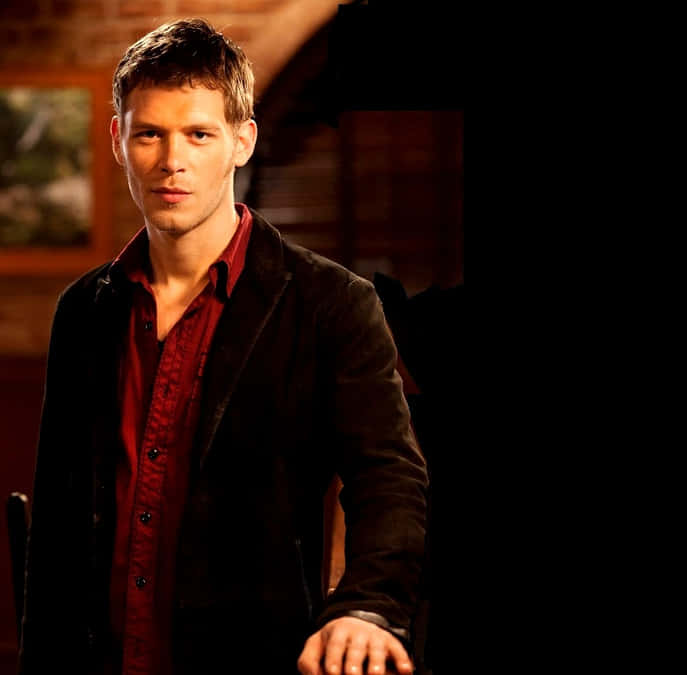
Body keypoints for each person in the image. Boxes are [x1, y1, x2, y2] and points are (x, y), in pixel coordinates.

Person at [17, 18, 428, 675]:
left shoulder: (333, 303)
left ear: (243, 141)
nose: (171, 160)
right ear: (118, 140)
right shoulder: (83, 310)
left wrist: (367, 607)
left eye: (199, 134)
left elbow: (389, 477)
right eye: (150, 133)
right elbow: (57, 526)